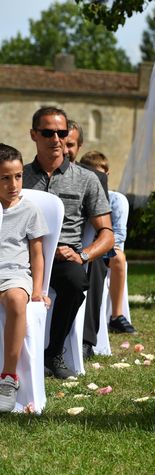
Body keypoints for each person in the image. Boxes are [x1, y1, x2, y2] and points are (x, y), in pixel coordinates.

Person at [23, 106, 114, 379]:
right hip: (23, 255)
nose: (56, 138)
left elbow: (107, 234)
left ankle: (53, 353)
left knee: (76, 281)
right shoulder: (19, 177)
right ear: (34, 135)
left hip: (65, 257)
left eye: (61, 132)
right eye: (48, 132)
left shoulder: (87, 179)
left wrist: (83, 255)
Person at [0, 144, 49, 411]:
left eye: (18, 176)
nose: (13, 184)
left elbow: (37, 254)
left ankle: (8, 378)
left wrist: (39, 290)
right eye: (5, 178)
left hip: (14, 275)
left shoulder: (29, 210)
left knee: (18, 302)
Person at [79, 150, 134, 334]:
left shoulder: (116, 200)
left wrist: (98, 245)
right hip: (80, 246)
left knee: (118, 257)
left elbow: (118, 234)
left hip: (104, 247)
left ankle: (116, 316)